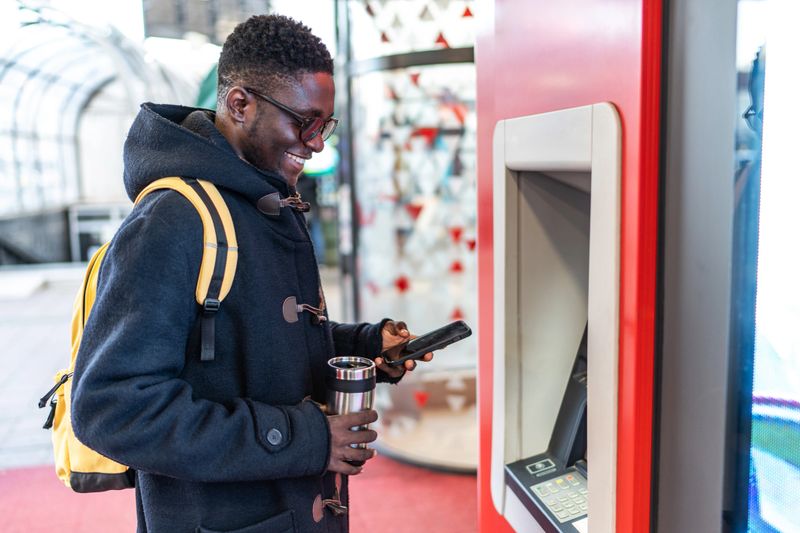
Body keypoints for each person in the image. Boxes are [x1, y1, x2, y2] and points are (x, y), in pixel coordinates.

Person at [71, 14, 430, 533]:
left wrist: (368, 344)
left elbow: (259, 339)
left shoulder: (266, 202)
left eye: (325, 124)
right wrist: (305, 439)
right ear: (240, 104)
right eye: (303, 121)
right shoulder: (173, 218)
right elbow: (114, 408)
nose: (316, 143)